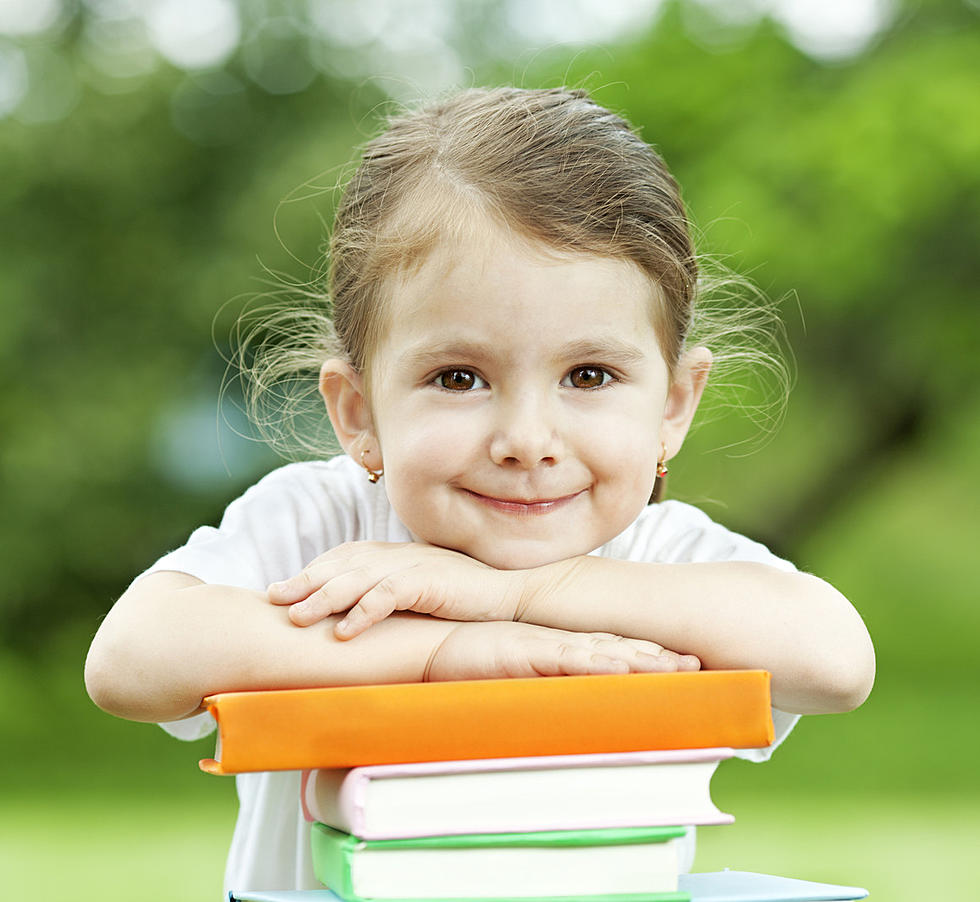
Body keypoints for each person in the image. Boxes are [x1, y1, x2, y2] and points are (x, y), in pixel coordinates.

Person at [84, 86, 875, 893]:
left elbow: (837, 660)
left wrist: (517, 589)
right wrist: (448, 649)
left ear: (672, 407)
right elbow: (131, 661)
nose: (527, 442)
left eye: (589, 374)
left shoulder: (660, 560)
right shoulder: (321, 528)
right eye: (458, 377)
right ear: (358, 411)